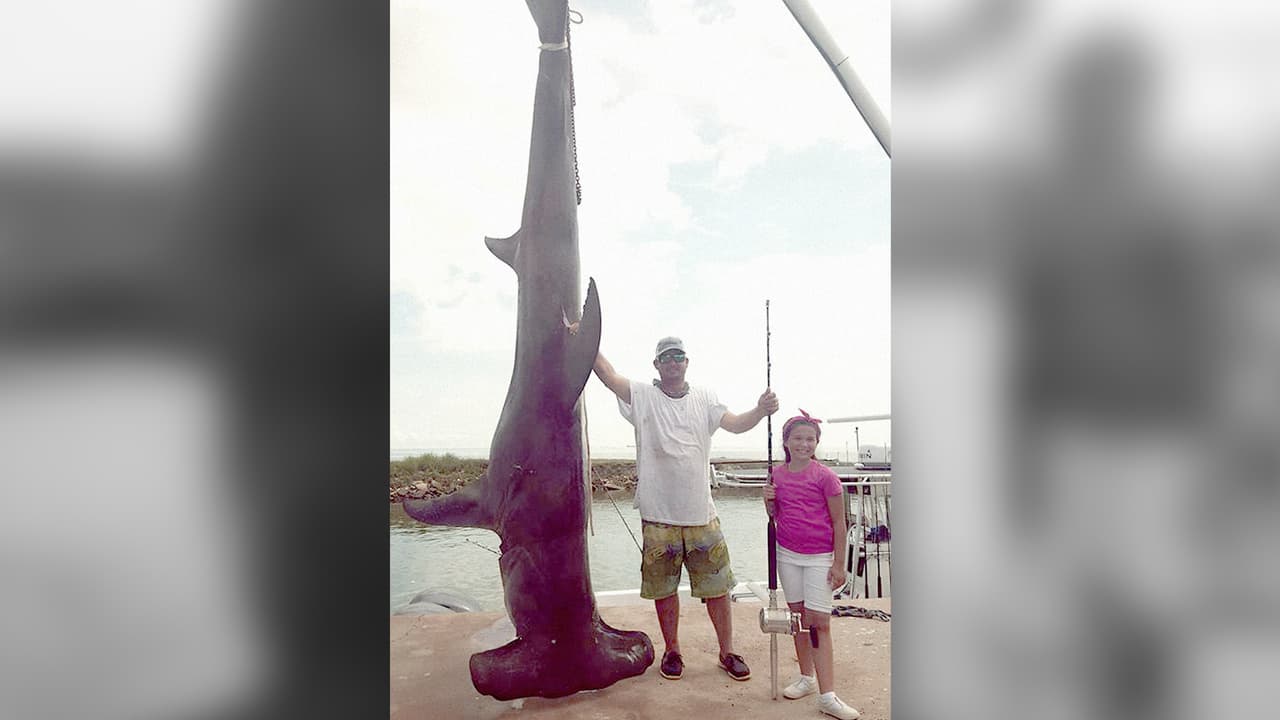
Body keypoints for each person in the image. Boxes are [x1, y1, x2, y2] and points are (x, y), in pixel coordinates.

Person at [593, 336, 779, 683]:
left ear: (687, 362)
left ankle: (727, 651)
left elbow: (736, 423)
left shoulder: (705, 397)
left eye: (679, 356)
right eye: (666, 357)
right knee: (663, 591)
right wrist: (581, 334)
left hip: (701, 515)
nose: (673, 362)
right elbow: (607, 374)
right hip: (658, 515)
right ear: (657, 365)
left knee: (718, 589)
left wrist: (760, 410)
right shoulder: (642, 395)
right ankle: (673, 650)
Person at [762, 410, 860, 720]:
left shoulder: (826, 477)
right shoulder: (776, 475)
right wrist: (766, 499)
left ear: (816, 442)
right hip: (787, 554)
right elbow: (775, 515)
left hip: (820, 558)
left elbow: (839, 523)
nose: (804, 443)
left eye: (809, 439)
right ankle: (806, 677)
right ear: (787, 442)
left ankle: (828, 696)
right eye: (798, 438)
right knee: (797, 619)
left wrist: (839, 565)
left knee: (820, 622)